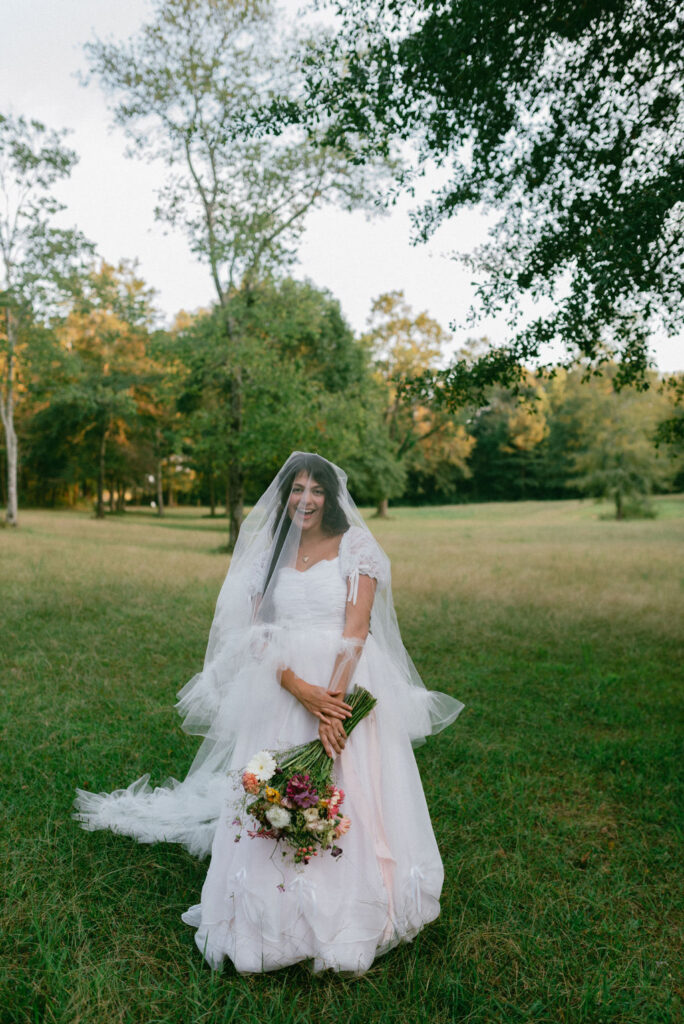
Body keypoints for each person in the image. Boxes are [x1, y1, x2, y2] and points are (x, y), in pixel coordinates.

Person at [74, 452, 463, 975]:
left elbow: (356, 628)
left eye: (316, 490)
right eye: (296, 490)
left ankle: (359, 906)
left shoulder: (355, 546)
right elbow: (253, 634)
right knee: (270, 785)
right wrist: (299, 688)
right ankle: (265, 914)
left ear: (332, 497)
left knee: (353, 788)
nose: (305, 500)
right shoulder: (272, 553)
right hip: (281, 686)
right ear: (285, 498)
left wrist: (333, 710)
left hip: (344, 683)